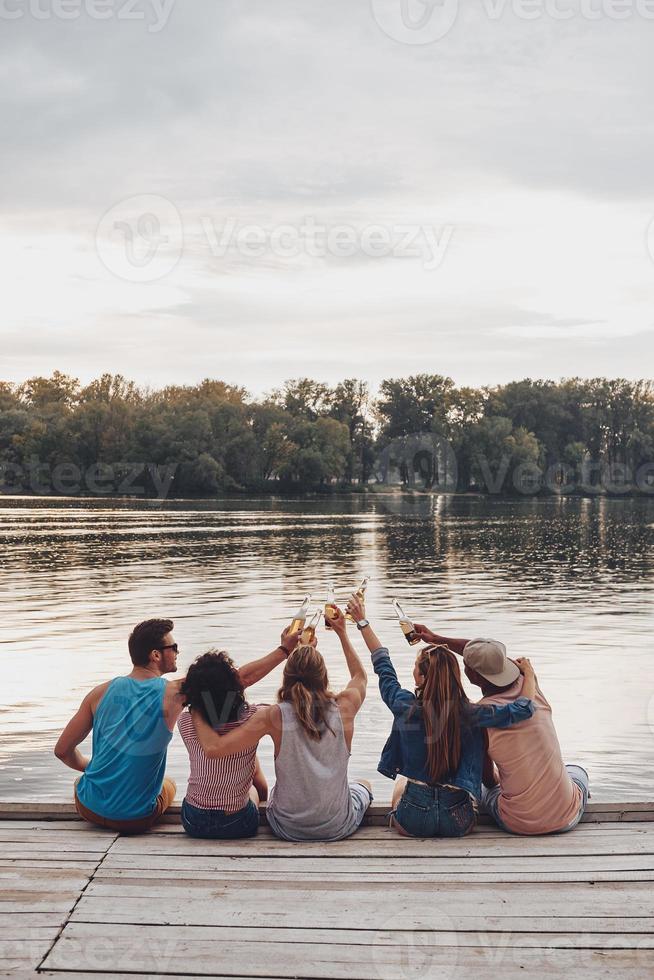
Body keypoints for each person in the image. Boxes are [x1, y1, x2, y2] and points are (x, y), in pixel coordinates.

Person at [54, 618, 291, 835]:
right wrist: (285, 650)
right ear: (156, 655)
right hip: (135, 819)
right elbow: (238, 679)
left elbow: (62, 750)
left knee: (82, 783)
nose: (178, 652)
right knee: (169, 784)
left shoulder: (99, 693)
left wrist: (91, 767)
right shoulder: (174, 694)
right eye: (173, 647)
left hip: (89, 808)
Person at [347, 597, 536, 837]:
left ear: (423, 678)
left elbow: (382, 663)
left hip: (413, 820)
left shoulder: (403, 704)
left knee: (401, 784)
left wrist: (362, 622)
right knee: (471, 791)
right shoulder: (472, 713)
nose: (413, 672)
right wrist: (528, 674)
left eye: (416, 668)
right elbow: (524, 708)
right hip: (457, 821)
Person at [192, 607, 373, 842]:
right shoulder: (345, 706)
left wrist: (196, 707)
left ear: (286, 677)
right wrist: (341, 633)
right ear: (324, 676)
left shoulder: (272, 716)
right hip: (337, 826)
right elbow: (360, 676)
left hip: (287, 827)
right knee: (363, 784)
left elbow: (215, 749)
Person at [414, 625, 590, 835]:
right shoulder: (531, 686)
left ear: (472, 676)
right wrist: (435, 638)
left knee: (482, 789)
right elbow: (488, 656)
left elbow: (489, 780)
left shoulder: (478, 718)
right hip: (567, 817)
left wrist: (436, 639)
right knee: (577, 771)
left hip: (518, 823)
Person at [177, 627, 301, 839]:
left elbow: (227, 686)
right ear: (235, 688)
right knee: (250, 775)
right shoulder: (255, 716)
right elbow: (241, 681)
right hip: (236, 823)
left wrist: (284, 650)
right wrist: (290, 652)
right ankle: (260, 798)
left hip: (193, 821)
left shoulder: (186, 720)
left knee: (242, 761)